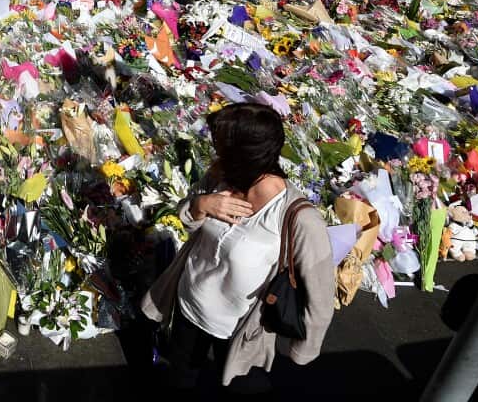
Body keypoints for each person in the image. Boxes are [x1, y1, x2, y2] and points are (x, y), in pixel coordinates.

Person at [141, 103, 335, 392]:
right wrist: (200, 205)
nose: (215, 154)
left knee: (240, 388)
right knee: (179, 381)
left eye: (221, 147)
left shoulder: (297, 218)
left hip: (240, 329)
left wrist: (304, 348)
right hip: (189, 305)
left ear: (245, 155)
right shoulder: (220, 178)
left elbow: (320, 293)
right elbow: (189, 222)